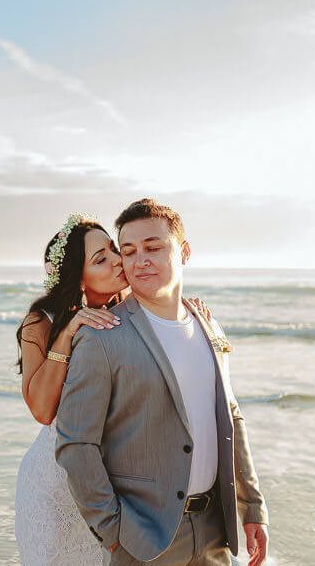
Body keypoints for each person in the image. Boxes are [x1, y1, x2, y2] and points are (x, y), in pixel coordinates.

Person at [54, 199, 270, 565]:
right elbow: (76, 443)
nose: (140, 261)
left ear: (183, 251)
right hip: (144, 540)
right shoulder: (102, 337)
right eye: (129, 251)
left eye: (153, 248)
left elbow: (231, 417)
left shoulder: (208, 326)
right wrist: (114, 532)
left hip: (216, 532)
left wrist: (252, 508)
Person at [14, 213, 212, 565]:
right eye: (101, 259)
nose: (119, 261)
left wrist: (189, 313)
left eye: (113, 249)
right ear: (79, 277)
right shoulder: (41, 323)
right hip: (57, 483)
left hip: (112, 486)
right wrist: (69, 331)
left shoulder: (125, 311)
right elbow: (42, 410)